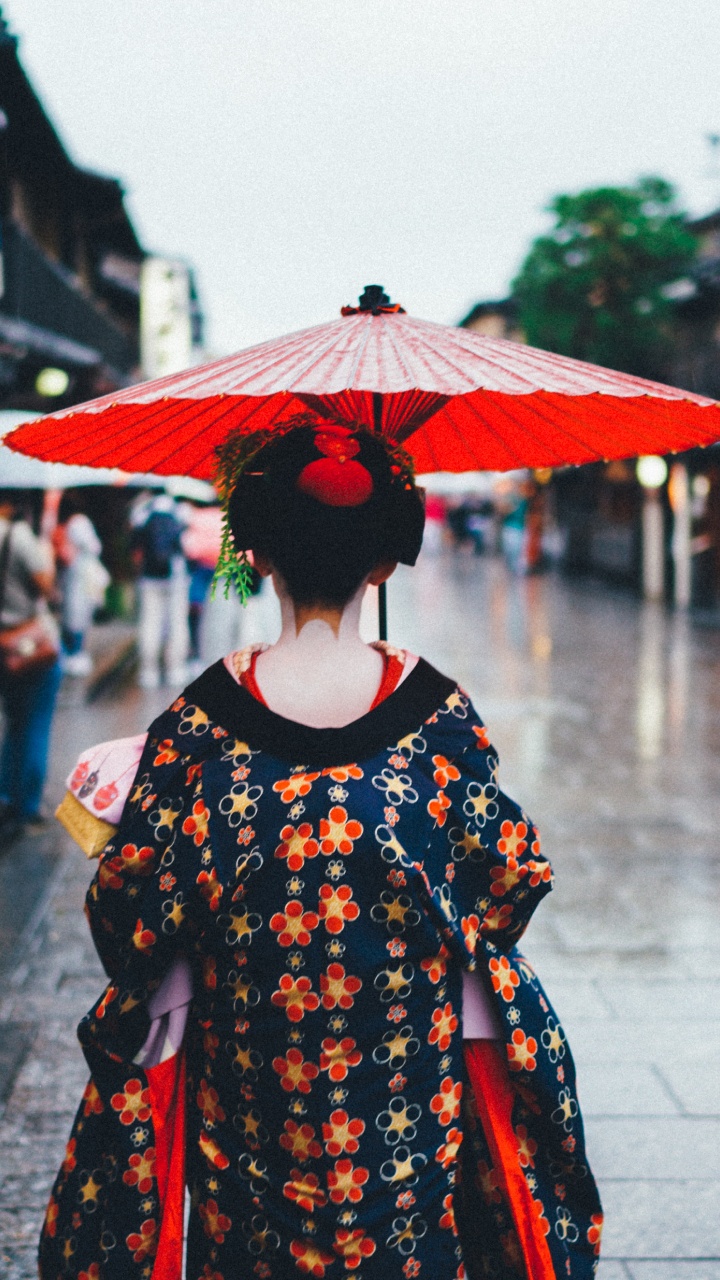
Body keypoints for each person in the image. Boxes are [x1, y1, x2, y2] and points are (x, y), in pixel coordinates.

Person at [41, 417, 602, 1279]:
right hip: (406, 1098)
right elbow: (509, 884)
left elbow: (126, 917)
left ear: (257, 552)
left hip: (249, 1100)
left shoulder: (199, 725)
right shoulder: (437, 718)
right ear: (384, 563)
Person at [0, 493, 61, 841]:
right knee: (34, 723)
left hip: (1, 645)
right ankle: (28, 804)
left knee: (13, 722)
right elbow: (46, 588)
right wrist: (47, 556)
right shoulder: (18, 535)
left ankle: (5, 794)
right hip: (27, 642)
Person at [130, 492, 190, 689]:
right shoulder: (181, 512)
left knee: (149, 622)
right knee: (177, 623)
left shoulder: (141, 513)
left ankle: (149, 671)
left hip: (149, 577)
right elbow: (186, 547)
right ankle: (175, 669)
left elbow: (135, 550)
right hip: (176, 576)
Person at [55, 500, 109, 676]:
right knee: (77, 615)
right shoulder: (79, 522)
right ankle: (75, 654)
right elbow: (95, 547)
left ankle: (74, 654)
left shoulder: (73, 523)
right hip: (79, 578)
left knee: (75, 615)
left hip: (77, 577)